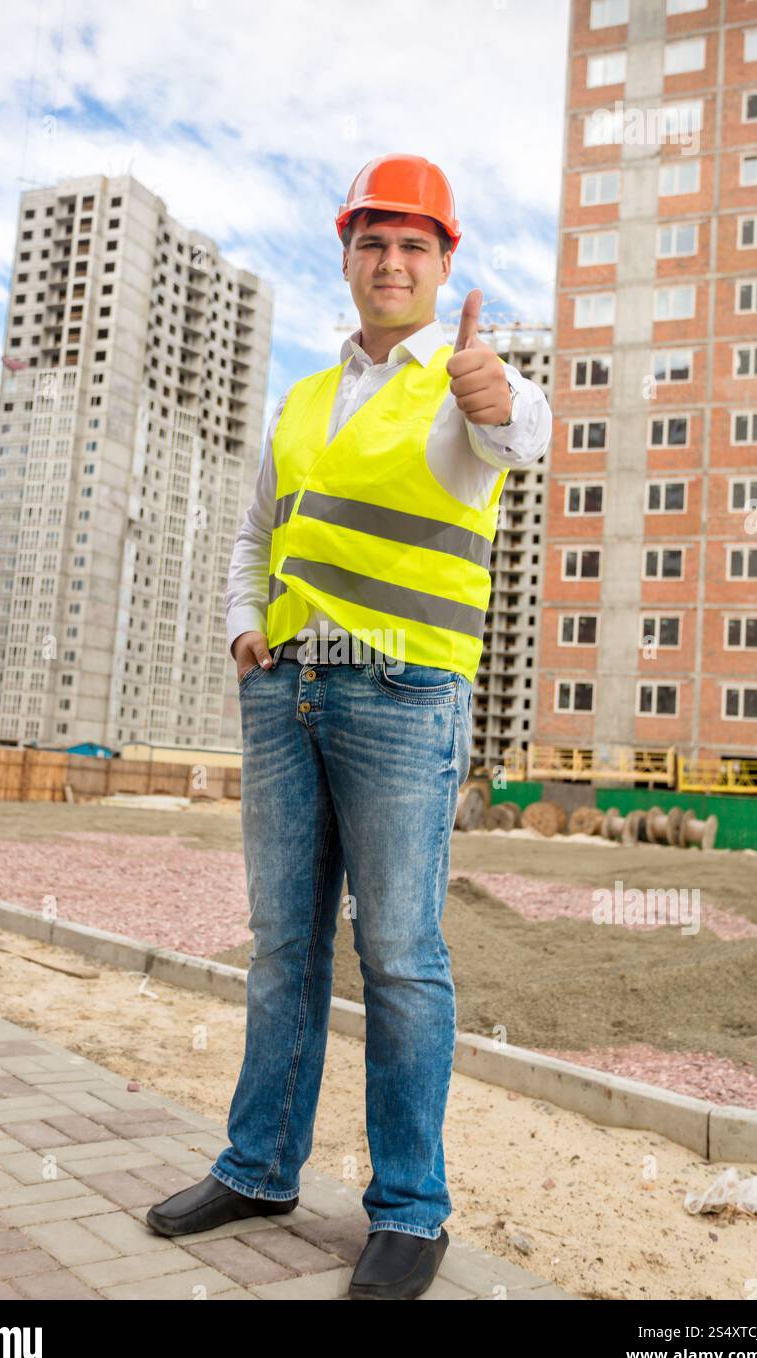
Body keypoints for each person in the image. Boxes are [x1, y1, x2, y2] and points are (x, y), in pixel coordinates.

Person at [147, 153, 553, 1299]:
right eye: (372, 242)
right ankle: (258, 1166)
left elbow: (523, 432)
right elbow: (252, 533)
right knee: (283, 946)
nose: (390, 262)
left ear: (443, 262)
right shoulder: (305, 396)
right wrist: (241, 633)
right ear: (345, 254)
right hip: (284, 697)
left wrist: (501, 396)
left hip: (401, 699)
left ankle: (410, 1209)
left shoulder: (464, 384)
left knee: (399, 956)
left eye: (413, 245)